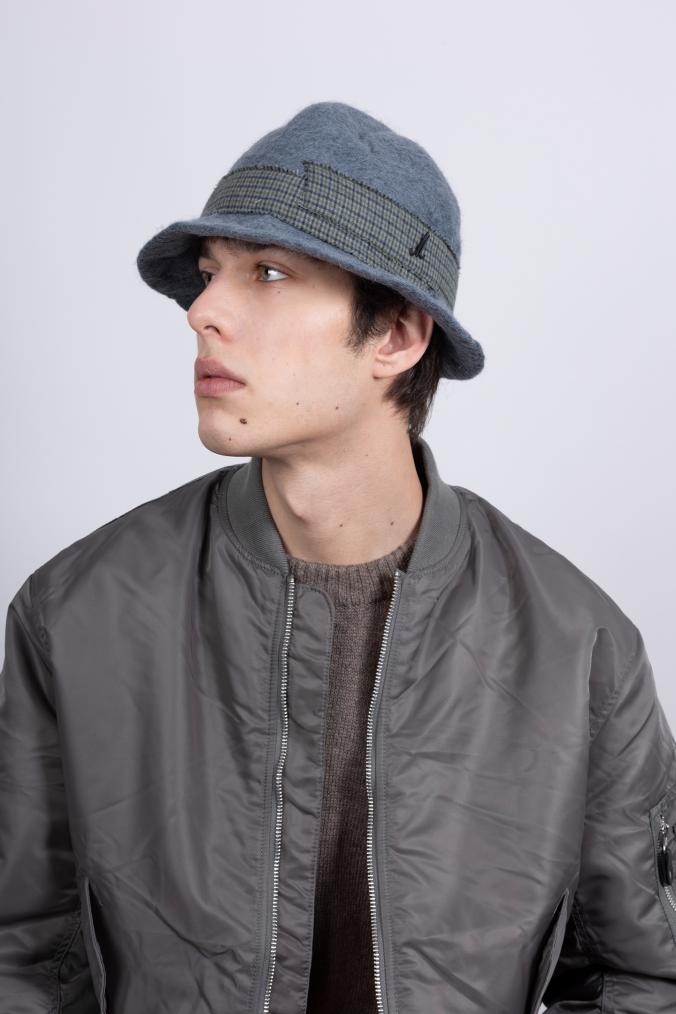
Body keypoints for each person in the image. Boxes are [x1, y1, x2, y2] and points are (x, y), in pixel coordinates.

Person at [1, 101, 675, 1014]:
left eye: (269, 273)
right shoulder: (75, 612)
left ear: (396, 336)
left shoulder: (580, 647)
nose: (203, 311)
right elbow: (22, 957)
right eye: (210, 274)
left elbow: (646, 976)